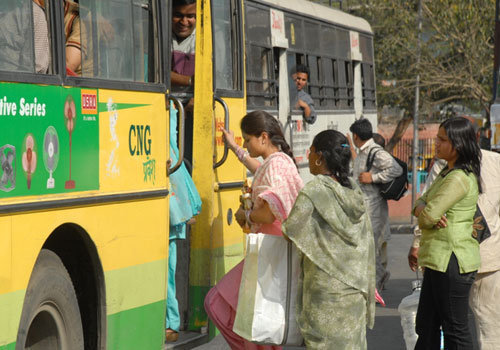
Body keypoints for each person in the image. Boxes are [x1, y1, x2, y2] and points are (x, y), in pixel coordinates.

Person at [204, 111, 303, 350]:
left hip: (270, 250)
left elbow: (270, 212)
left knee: (219, 303)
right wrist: (236, 149)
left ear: (264, 137)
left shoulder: (277, 165)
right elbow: (259, 168)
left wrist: (245, 215)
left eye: (247, 140)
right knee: (252, 318)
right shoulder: (278, 161)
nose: (246, 145)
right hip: (271, 249)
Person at [408, 123, 500, 350]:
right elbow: (421, 204)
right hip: (441, 257)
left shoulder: (459, 176)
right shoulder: (446, 170)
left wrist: (425, 212)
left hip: (458, 257)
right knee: (428, 324)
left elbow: (428, 214)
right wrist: (424, 211)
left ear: (459, 144)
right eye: (437, 138)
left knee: (462, 328)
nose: (436, 144)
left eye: (443, 140)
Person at [282, 130, 375, 349]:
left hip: (325, 294)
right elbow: (366, 239)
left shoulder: (314, 191)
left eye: (311, 151)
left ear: (320, 157)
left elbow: (291, 231)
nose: (308, 155)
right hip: (355, 290)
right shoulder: (354, 191)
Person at [349, 118, 402, 292]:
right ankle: (379, 277)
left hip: (374, 207)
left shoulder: (375, 151)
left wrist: (373, 178)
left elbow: (396, 169)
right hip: (364, 207)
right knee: (367, 247)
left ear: (356, 136)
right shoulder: (364, 151)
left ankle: (376, 285)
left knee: (371, 247)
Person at [165, 103, 202, 342]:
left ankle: (172, 322)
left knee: (168, 265)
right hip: (170, 191)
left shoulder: (168, 106)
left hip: (171, 191)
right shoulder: (170, 106)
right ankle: (171, 322)